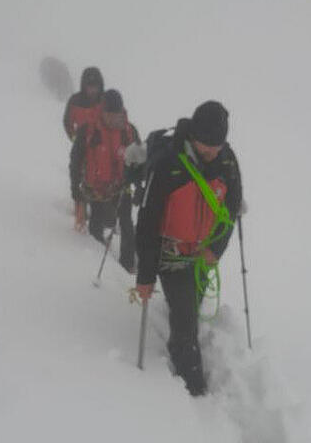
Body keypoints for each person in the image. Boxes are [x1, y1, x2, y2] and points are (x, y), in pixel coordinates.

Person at [134, 101, 242, 396]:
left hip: (202, 254)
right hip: (171, 256)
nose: (210, 151)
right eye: (205, 143)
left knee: (189, 306)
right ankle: (193, 387)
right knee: (185, 324)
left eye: (216, 145)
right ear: (193, 134)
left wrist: (215, 250)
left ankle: (182, 324)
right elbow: (147, 222)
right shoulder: (168, 162)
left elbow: (231, 210)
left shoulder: (227, 161)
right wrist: (145, 277)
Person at [70, 89, 142, 272]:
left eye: (117, 114)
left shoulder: (130, 132)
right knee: (96, 224)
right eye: (109, 114)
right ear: (103, 110)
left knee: (126, 224)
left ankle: (127, 265)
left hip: (121, 186)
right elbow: (76, 160)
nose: (113, 118)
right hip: (96, 188)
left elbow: (140, 161)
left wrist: (139, 185)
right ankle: (100, 260)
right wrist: (75, 189)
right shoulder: (88, 130)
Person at [62, 67, 104, 141]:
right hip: (83, 147)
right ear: (84, 86)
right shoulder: (75, 101)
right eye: (90, 86)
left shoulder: (106, 100)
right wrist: (75, 140)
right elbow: (67, 122)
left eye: (95, 86)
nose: (93, 90)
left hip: (105, 145)